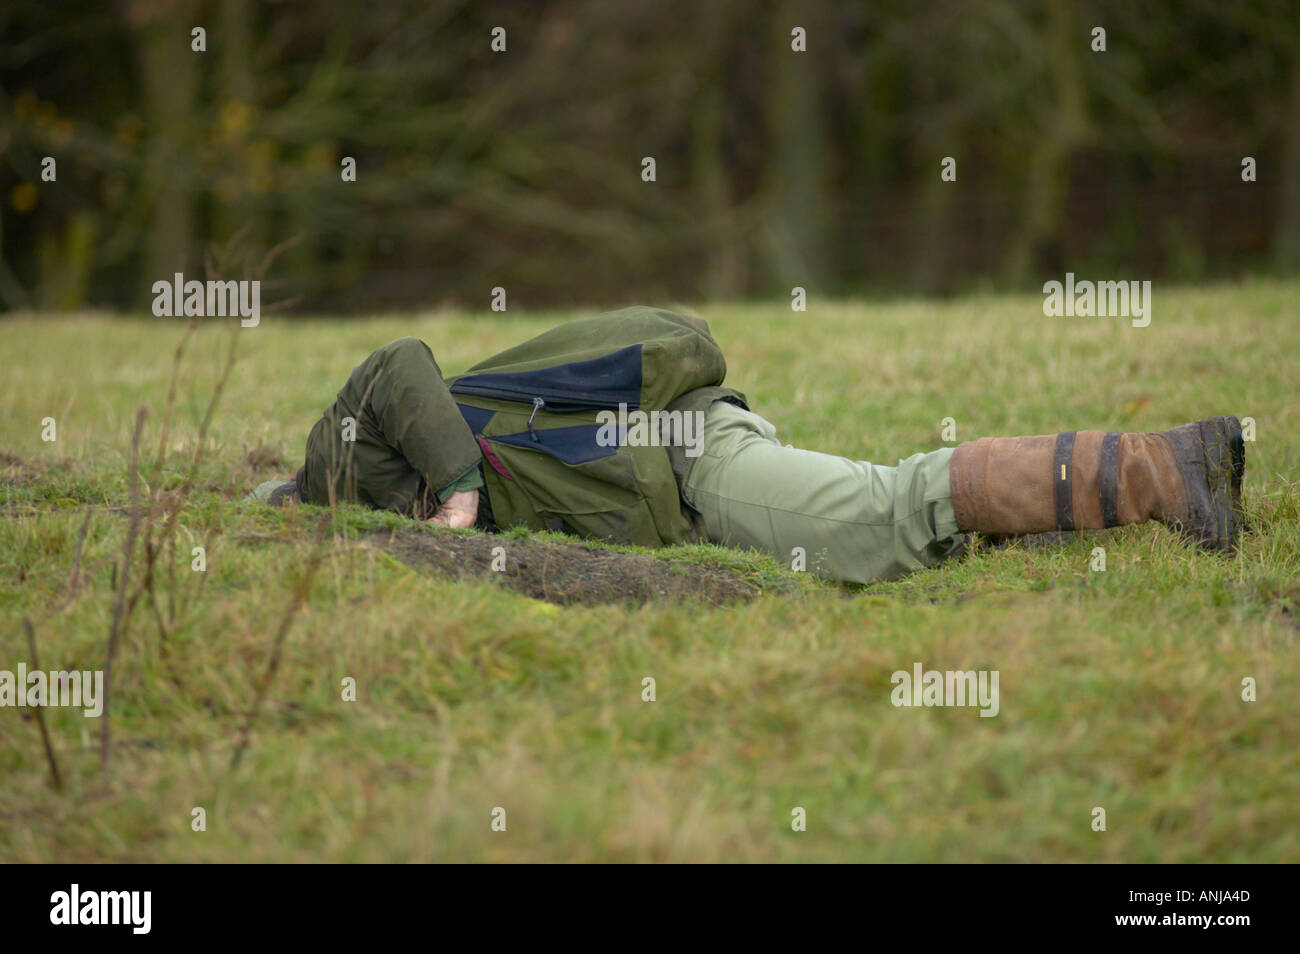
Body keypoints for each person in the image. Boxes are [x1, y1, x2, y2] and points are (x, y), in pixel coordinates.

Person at [248, 307, 1245, 584]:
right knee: (882, 529)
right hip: (681, 472)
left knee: (878, 520)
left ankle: (1168, 468)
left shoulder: (339, 463)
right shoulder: (375, 519)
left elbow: (396, 358)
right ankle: (1056, 517)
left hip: (688, 463)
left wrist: (458, 489)